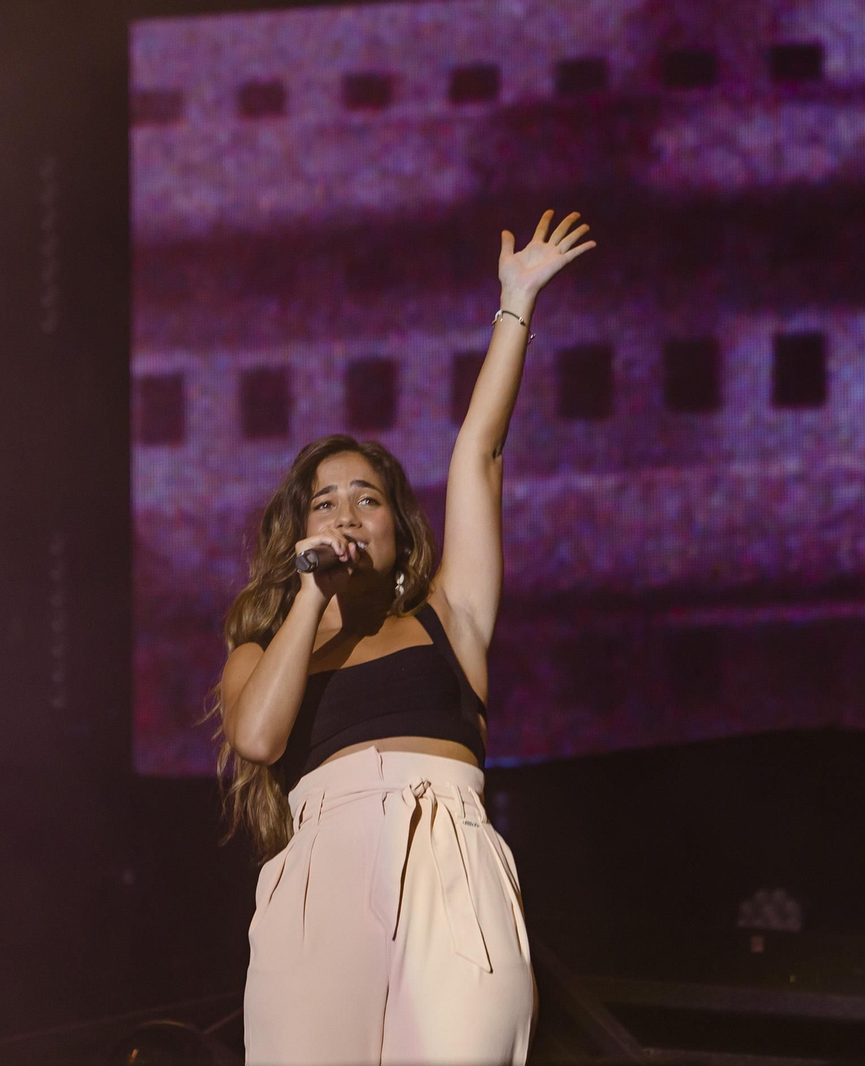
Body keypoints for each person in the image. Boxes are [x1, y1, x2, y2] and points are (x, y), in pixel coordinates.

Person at [215, 210, 596, 1064]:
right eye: (326, 500)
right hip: (324, 874)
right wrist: (310, 597)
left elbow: (480, 453)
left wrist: (517, 304)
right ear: (299, 532)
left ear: (395, 530)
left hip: (451, 867)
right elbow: (259, 735)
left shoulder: (446, 614)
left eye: (368, 498)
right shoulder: (266, 645)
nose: (347, 512)